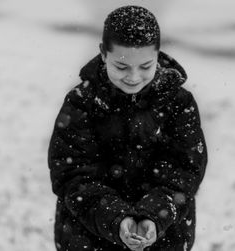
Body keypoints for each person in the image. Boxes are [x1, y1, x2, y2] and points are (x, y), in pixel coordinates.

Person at [48, 5, 207, 251]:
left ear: (158, 55)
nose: (133, 77)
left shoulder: (179, 103)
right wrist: (116, 218)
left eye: (146, 66)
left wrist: (154, 215)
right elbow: (72, 176)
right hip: (88, 237)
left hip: (164, 238)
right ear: (103, 54)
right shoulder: (81, 102)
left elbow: (185, 172)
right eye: (121, 67)